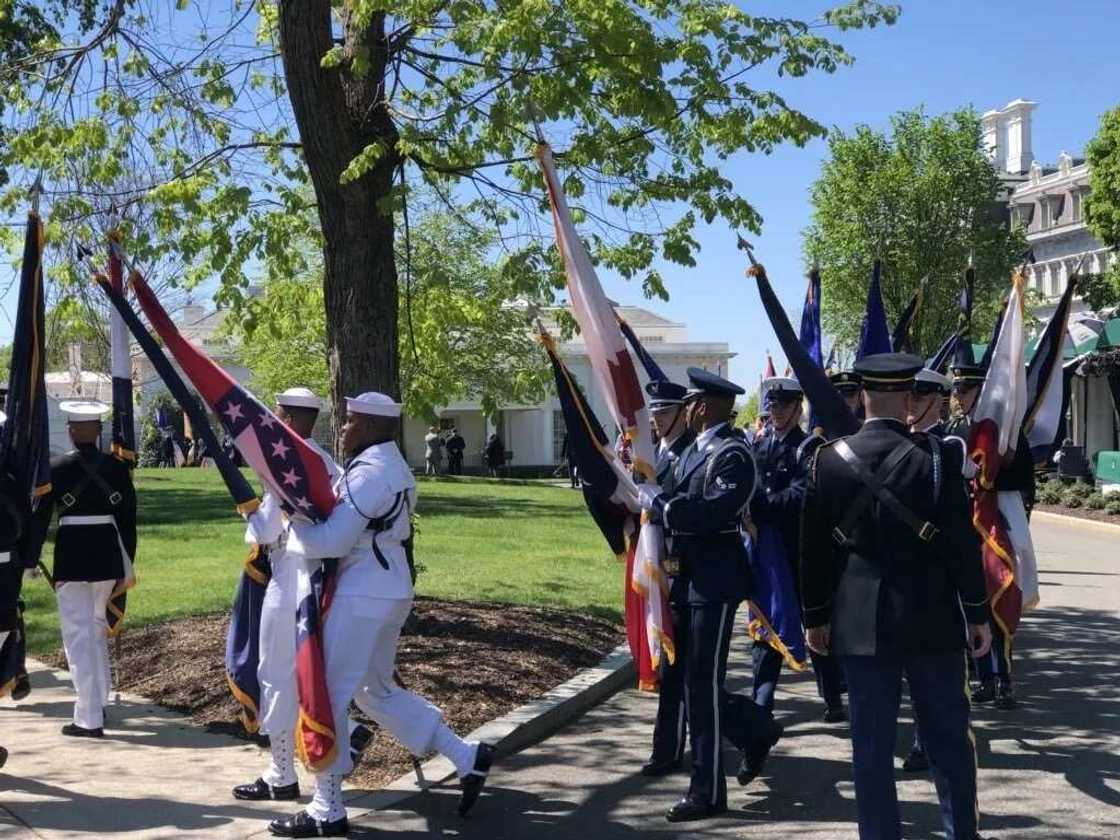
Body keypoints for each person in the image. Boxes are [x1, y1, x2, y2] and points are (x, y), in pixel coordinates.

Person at [270, 392, 494, 838]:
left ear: (372, 427)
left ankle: (326, 808)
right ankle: (467, 757)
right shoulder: (390, 467)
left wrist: (291, 524)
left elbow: (333, 541)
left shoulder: (371, 472)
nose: (344, 428)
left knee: (329, 694)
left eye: (351, 422)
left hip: (363, 594)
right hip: (385, 590)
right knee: (375, 691)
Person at [801, 352, 993, 840]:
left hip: (861, 619)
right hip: (931, 615)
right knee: (948, 741)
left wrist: (816, 617)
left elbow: (813, 551)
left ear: (862, 395)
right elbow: (959, 543)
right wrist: (977, 612)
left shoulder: (827, 459)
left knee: (870, 747)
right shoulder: (937, 458)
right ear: (910, 398)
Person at [640, 368, 782, 823]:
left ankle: (707, 791)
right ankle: (755, 729)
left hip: (715, 582)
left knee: (700, 687)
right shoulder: (692, 452)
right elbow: (668, 490)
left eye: (698, 401)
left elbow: (708, 513)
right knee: (685, 682)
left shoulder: (733, 454)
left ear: (712, 405)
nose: (692, 408)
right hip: (684, 578)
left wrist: (660, 503)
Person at [232, 387, 348, 804]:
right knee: (292, 672)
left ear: (297, 420)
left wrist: (248, 506)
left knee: (276, 672)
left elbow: (265, 531)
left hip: (291, 572)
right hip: (310, 574)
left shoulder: (290, 466)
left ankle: (282, 773)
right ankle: (282, 768)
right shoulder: (323, 464)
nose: (274, 421)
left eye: (279, 414)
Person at [37, 400, 137, 738]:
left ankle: (88, 716)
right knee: (95, 632)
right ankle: (99, 701)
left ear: (71, 430)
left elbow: (40, 519)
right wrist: (127, 563)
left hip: (73, 557)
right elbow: (128, 521)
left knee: (78, 637)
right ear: (97, 431)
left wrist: (28, 557)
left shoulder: (55, 468)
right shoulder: (117, 467)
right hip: (108, 554)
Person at [748, 377, 845, 724]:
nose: (776, 413)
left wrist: (764, 506)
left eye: (783, 406)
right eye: (772, 406)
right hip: (768, 553)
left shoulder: (809, 448)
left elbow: (802, 493)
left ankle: (832, 695)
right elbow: (753, 486)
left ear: (797, 407)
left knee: (813, 623)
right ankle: (762, 701)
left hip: (800, 548)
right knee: (768, 624)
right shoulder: (759, 447)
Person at [948, 361, 1033, 710]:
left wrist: (991, 477)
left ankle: (1003, 680)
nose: (957, 396)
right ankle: (981, 676)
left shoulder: (1007, 433)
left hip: (993, 528)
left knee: (998, 599)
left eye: (963, 390)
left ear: (980, 393)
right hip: (961, 526)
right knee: (969, 603)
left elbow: (1024, 481)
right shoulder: (954, 429)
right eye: (955, 390)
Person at [638, 379, 695, 778]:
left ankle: (668, 749)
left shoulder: (689, 453)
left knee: (683, 671)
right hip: (660, 568)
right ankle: (668, 747)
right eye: (653, 412)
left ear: (682, 412)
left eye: (663, 411)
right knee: (678, 672)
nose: (656, 419)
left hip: (684, 570)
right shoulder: (654, 453)